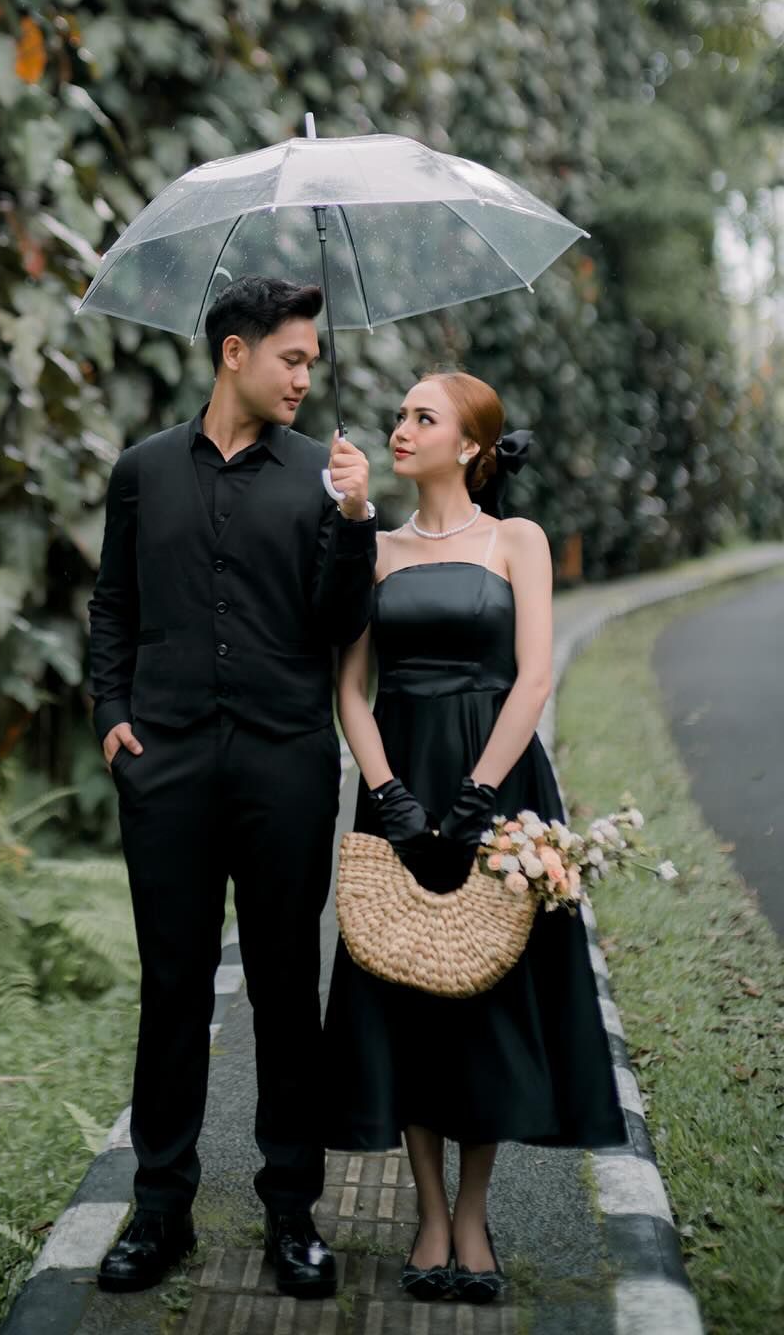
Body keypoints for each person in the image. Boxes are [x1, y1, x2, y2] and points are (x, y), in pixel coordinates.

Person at [86, 275, 377, 1299]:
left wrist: (354, 517)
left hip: (285, 764)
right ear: (233, 355)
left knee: (286, 990)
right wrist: (111, 716)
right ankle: (158, 1210)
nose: (305, 376)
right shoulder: (142, 471)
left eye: (311, 360)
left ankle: (292, 1214)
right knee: (170, 990)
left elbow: (343, 623)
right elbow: (112, 604)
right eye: (290, 358)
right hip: (162, 765)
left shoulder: (322, 479)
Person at [322, 371, 625, 1303]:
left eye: (423, 417)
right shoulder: (373, 549)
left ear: (469, 446)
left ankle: (473, 1215)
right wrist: (393, 799)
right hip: (401, 783)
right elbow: (349, 692)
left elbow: (533, 679)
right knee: (408, 982)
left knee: (490, 988)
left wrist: (476, 800)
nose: (400, 427)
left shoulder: (517, 540)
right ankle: (424, 1213)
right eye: (400, 414)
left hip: (499, 787)